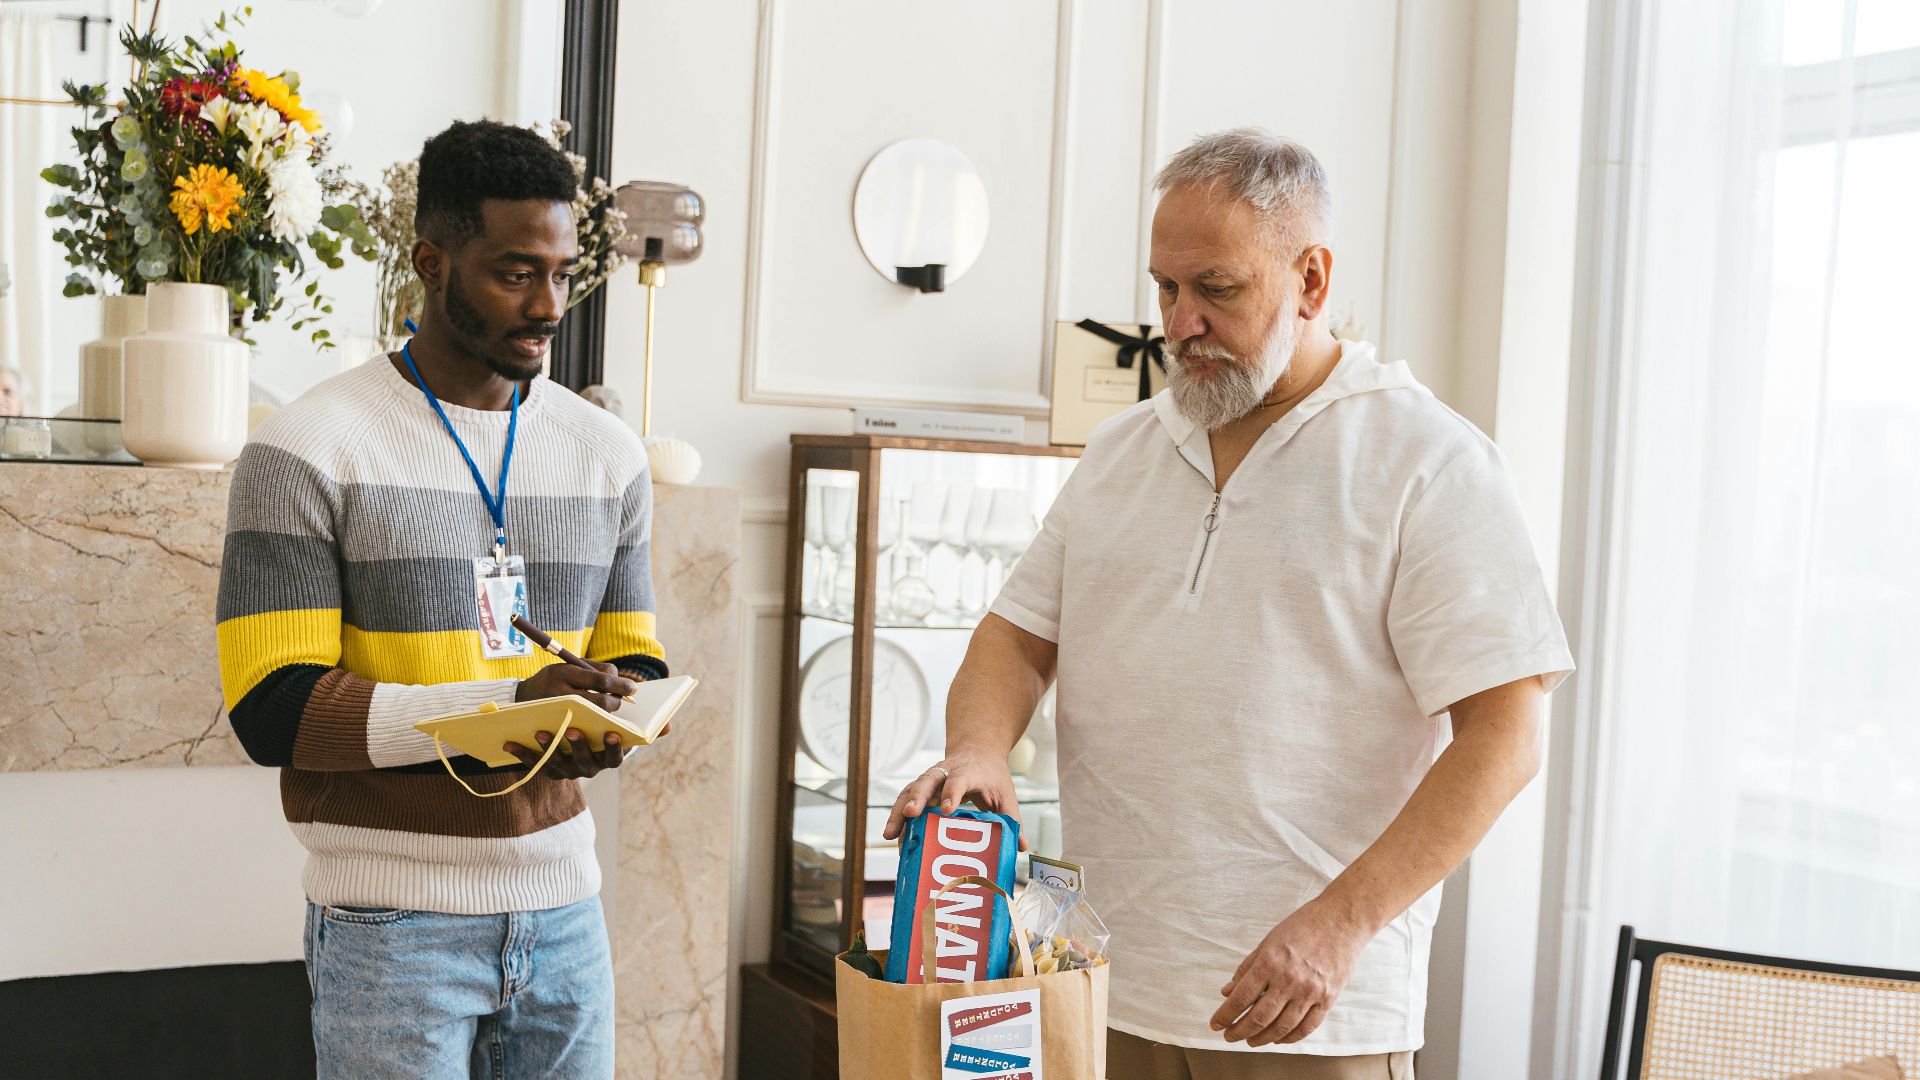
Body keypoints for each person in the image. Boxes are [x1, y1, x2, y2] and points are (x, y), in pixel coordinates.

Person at [886, 128, 1573, 1079]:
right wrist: (976, 747)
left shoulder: (1431, 460)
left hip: (1311, 1010)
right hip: (1101, 978)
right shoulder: (1122, 451)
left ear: (1312, 280)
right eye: (1165, 288)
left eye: (1217, 288)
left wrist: (1340, 925)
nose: (1179, 322)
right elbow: (1015, 635)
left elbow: (1507, 736)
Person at [215, 120, 667, 1078]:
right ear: (431, 261)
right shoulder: (306, 449)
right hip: (390, 928)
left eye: (562, 273)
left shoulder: (609, 455)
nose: (548, 306)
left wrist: (609, 709)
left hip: (566, 916)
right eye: (514, 273)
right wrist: (504, 712)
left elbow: (636, 659)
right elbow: (273, 711)